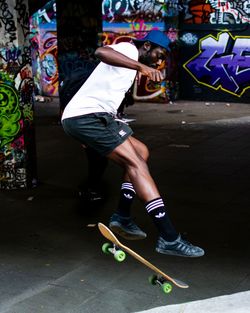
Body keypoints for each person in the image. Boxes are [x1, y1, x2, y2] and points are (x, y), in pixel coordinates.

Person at [61, 30, 204, 257]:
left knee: (141, 151)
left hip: (94, 119)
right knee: (137, 164)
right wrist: (141, 67)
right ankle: (169, 237)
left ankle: (123, 216)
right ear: (146, 46)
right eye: (159, 54)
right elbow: (101, 51)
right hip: (88, 118)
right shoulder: (128, 48)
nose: (159, 61)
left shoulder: (129, 64)